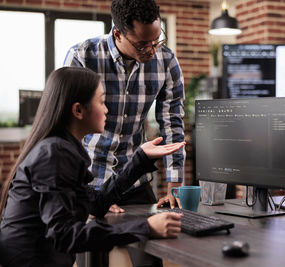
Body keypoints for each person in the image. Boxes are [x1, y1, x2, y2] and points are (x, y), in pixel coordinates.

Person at [0, 67, 185, 267]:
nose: (107, 109)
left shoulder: (62, 148)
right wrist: (146, 227)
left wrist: (141, 158)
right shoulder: (54, 154)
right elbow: (64, 234)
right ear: (78, 110)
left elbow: (96, 204)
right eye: (102, 101)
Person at [64, 0, 185, 212]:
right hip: (90, 180)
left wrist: (174, 185)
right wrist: (95, 197)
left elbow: (172, 122)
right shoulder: (83, 56)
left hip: (135, 181)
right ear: (118, 34)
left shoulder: (166, 61)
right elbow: (67, 127)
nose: (152, 50)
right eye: (142, 44)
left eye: (156, 40)